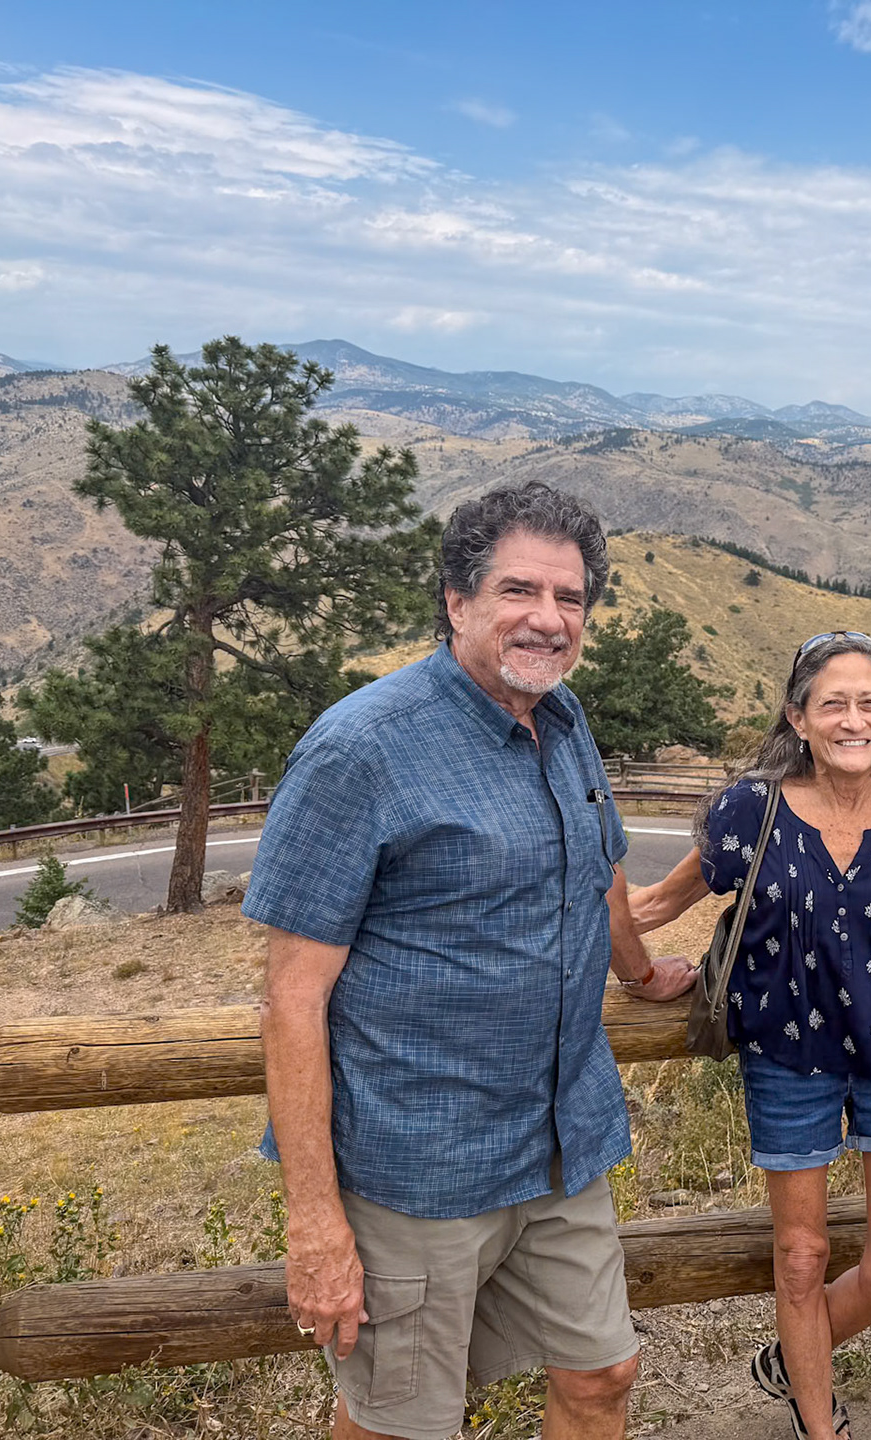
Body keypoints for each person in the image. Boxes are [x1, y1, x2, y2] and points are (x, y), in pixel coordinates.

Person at [248, 480, 696, 1440]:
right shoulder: (360, 751)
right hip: (422, 1159)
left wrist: (639, 973)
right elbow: (292, 1000)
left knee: (603, 1373)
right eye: (518, 591)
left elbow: (600, 863)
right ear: (457, 601)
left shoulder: (562, 717)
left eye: (569, 598)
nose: (547, 618)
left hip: (561, 1140)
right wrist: (315, 1223)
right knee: (401, 1421)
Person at [629, 631, 871, 1439]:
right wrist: (621, 960)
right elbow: (652, 906)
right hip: (788, 1061)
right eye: (834, 703)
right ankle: (821, 1423)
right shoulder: (753, 810)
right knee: (802, 1256)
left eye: (870, 704)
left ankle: (791, 1354)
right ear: (799, 717)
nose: (854, 720)